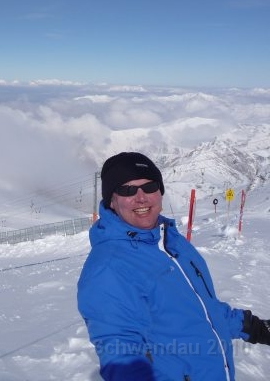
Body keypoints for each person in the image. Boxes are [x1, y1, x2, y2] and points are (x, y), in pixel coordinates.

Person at [77, 152, 270, 381]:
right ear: (112, 201)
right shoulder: (108, 266)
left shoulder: (172, 243)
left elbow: (200, 310)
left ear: (160, 192)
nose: (141, 197)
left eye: (149, 187)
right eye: (128, 190)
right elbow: (121, 354)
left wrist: (253, 327)